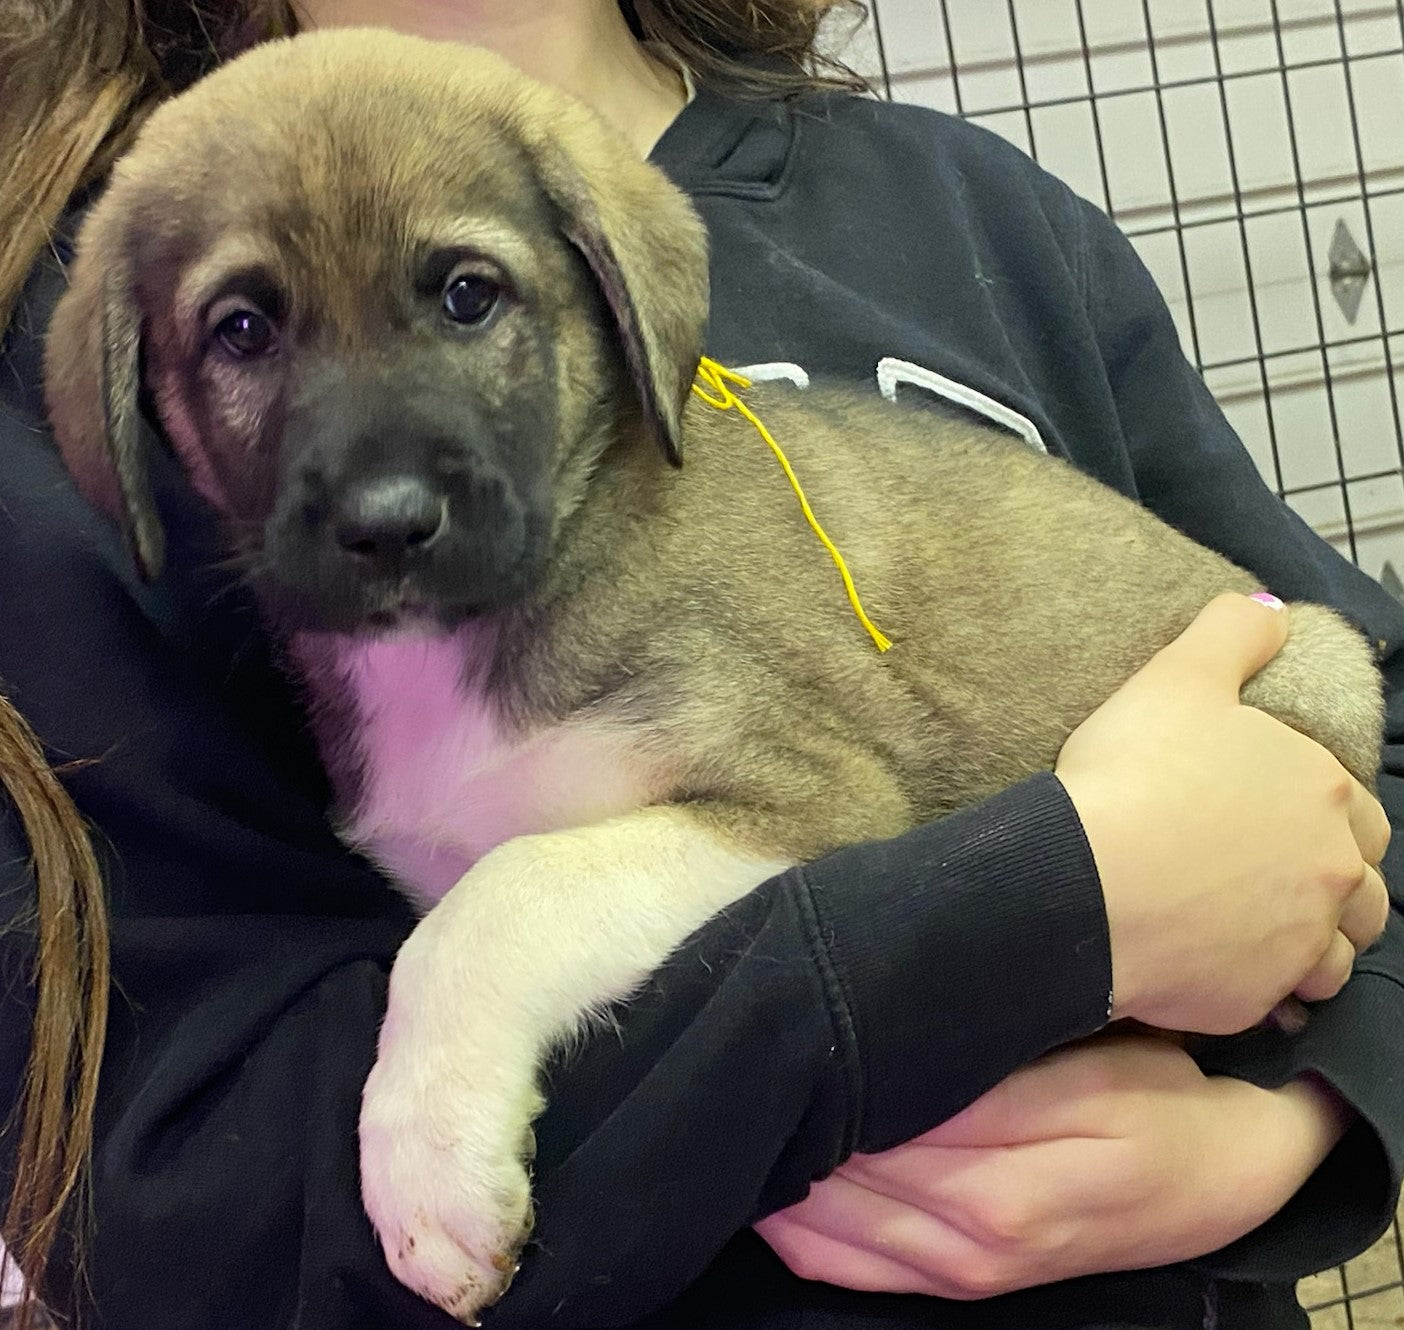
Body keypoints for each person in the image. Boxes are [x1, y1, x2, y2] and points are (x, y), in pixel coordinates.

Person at [0, 3, 1399, 1329]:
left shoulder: (984, 224)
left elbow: (1365, 708)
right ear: (133, 399)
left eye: (469, 293)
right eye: (246, 329)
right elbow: (184, 1193)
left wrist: (1283, 1131)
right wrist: (1067, 901)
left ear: (633, 313)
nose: (378, 495)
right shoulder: (74, 369)